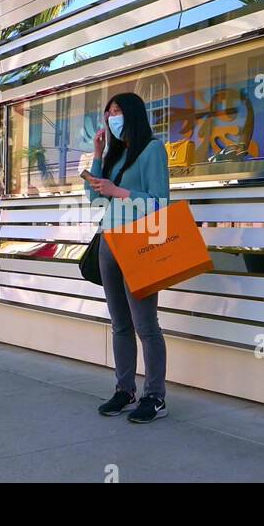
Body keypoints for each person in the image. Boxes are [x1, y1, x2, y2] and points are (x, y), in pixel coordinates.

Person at [85, 92, 171, 423]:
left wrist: (119, 192)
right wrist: (98, 154)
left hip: (139, 243)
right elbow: (94, 198)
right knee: (119, 323)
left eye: (117, 111)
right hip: (109, 241)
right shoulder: (114, 156)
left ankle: (155, 396)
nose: (111, 118)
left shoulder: (152, 150)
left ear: (132, 113)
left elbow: (159, 202)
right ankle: (124, 389)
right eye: (108, 113)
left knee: (145, 324)